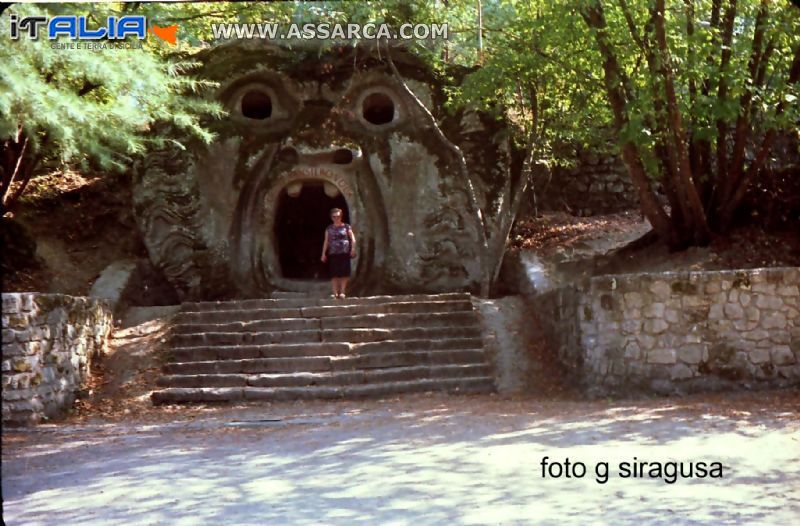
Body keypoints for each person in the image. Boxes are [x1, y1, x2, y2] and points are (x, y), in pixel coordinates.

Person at [320, 207, 356, 299]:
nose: (336, 218)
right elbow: (326, 241)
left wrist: (353, 249)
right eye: (334, 216)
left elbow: (352, 238)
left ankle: (343, 292)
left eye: (338, 216)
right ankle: (335, 292)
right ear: (331, 218)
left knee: (344, 272)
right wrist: (323, 253)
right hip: (333, 253)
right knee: (334, 273)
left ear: (341, 217)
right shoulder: (329, 228)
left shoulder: (346, 227)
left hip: (344, 252)